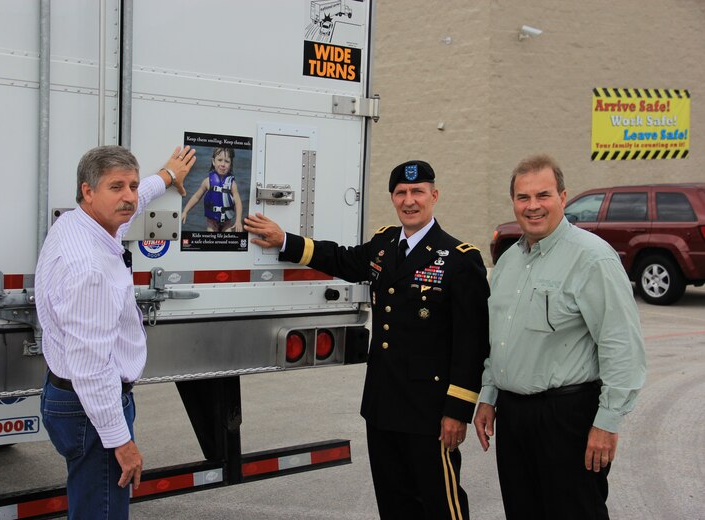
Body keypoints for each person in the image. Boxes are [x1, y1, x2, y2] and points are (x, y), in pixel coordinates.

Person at [244, 160, 489, 520]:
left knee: (441, 504)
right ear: (393, 198)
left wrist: (457, 412)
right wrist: (286, 241)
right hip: (382, 404)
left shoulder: (458, 259)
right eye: (401, 193)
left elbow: (473, 343)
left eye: (418, 191)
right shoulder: (384, 243)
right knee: (394, 503)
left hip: (429, 412)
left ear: (434, 196)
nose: (409, 200)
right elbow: (341, 259)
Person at [473, 154, 646, 520]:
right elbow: (498, 339)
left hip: (568, 417)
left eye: (543, 195)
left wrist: (607, 422)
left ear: (564, 198)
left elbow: (621, 346)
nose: (533, 206)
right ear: (514, 203)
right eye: (523, 197)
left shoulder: (593, 259)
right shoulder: (507, 262)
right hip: (514, 416)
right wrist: (488, 396)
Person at [36, 144, 196, 519]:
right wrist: (120, 441)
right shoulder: (89, 269)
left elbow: (129, 209)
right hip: (92, 408)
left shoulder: (78, 224)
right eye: (116, 187)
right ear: (87, 191)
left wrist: (167, 177)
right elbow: (91, 368)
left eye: (133, 185)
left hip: (72, 398)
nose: (128, 197)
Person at [181, 146, 243, 232]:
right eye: (220, 160)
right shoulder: (207, 182)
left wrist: (238, 221)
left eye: (227, 161)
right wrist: (185, 211)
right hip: (212, 223)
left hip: (227, 224)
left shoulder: (232, 184)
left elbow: (238, 203)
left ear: (230, 164)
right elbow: (196, 197)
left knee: (228, 240)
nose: (223, 164)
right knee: (210, 240)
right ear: (213, 161)